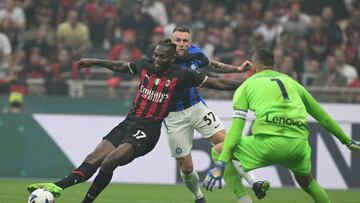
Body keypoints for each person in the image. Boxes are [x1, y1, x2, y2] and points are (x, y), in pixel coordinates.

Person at [26, 40, 245, 203]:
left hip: (148, 130)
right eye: (156, 55)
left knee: (110, 161)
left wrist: (245, 84)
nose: (158, 60)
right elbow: (121, 66)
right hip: (128, 123)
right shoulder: (144, 65)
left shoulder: (184, 74)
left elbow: (217, 83)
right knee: (93, 158)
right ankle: (57, 186)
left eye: (163, 57)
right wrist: (94, 61)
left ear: (172, 59)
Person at [203, 48, 360, 203]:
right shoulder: (293, 83)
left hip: (268, 145)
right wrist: (346, 140)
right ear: (275, 66)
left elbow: (236, 132)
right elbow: (323, 117)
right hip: (298, 145)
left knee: (218, 150)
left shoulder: (246, 85)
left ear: (253, 66)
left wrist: (221, 164)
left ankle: (244, 200)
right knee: (308, 181)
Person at [167, 25, 267, 203]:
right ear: (171, 40)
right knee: (187, 168)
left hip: (196, 106)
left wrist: (237, 70)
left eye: (185, 41)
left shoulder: (196, 54)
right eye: (177, 40)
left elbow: (211, 65)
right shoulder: (162, 57)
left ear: (190, 42)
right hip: (173, 116)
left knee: (227, 142)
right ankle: (198, 196)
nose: (181, 44)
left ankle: (254, 183)